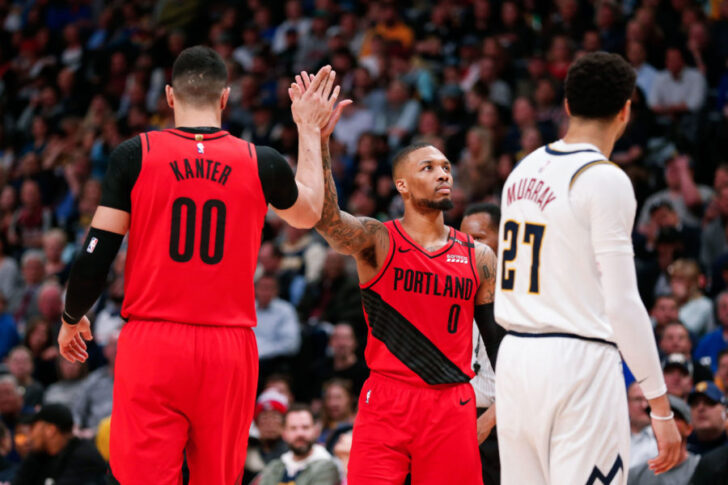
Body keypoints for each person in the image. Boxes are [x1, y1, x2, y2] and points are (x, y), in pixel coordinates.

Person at [57, 46, 341, 485]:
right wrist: (307, 128)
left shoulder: (135, 154)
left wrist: (72, 315)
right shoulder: (261, 161)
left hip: (153, 343)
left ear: (169, 96)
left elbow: (97, 251)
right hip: (228, 347)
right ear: (225, 97)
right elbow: (308, 214)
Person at [291, 72, 498, 485]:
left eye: (446, 167)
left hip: (452, 402)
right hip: (387, 400)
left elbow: (501, 347)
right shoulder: (379, 241)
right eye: (429, 167)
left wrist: (496, 410)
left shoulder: (479, 256)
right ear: (402, 184)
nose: (443, 174)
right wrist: (318, 140)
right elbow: (327, 219)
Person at [493, 52, 681, 484]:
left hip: (517, 358)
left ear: (566, 105)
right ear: (626, 109)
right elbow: (622, 303)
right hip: (577, 361)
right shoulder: (604, 178)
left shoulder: (522, 170)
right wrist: (659, 405)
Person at [460, 202, 501, 485]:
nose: (470, 248)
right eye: (464, 240)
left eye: (480, 238)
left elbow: (532, 375)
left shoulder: (523, 298)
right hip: (458, 421)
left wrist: (488, 421)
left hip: (502, 424)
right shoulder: (454, 292)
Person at [12, 403, 106, 485]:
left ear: (50, 430)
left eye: (33, 427)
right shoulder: (38, 454)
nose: (30, 435)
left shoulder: (84, 456)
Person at [254, 404, 339, 485]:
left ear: (316, 431)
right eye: (293, 428)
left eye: (305, 427)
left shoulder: (327, 467)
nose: (300, 433)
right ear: (284, 434)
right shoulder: (274, 466)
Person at [627, 395, 700, 485]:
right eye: (658, 418)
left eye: (673, 417)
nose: (665, 424)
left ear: (688, 428)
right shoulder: (635, 475)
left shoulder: (703, 469)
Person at [686, 381, 727, 455]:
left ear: (724, 410)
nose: (700, 408)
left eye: (709, 402)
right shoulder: (683, 447)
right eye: (695, 404)